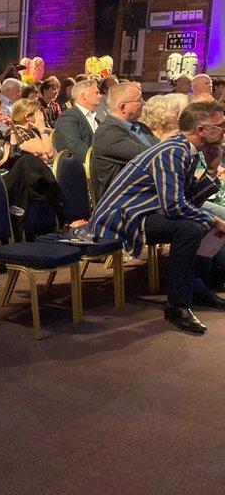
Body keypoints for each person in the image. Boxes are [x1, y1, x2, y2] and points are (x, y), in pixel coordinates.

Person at [90, 102, 225, 333]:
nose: (224, 130)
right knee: (191, 228)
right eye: (220, 125)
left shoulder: (187, 151)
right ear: (201, 130)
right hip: (122, 217)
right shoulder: (173, 151)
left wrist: (211, 171)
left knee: (200, 222)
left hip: (144, 211)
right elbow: (174, 207)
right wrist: (211, 220)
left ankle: (196, 286)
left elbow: (188, 200)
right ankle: (177, 306)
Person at [0, 96, 64, 229]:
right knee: (28, 162)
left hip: (9, 181)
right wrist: (3, 159)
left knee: (34, 183)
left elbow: (14, 156)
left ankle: (42, 219)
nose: (1, 112)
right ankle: (60, 203)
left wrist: (12, 129)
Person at [90, 82, 159, 197]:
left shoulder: (140, 127)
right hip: (125, 202)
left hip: (148, 192)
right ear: (123, 107)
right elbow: (148, 157)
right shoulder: (108, 134)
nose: (144, 103)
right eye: (139, 100)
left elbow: (161, 149)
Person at [52, 79, 102, 159]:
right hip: (79, 167)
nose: (100, 96)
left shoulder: (96, 119)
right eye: (96, 93)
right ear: (83, 96)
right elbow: (75, 146)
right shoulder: (68, 118)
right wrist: (100, 161)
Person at [10, 98, 55, 165]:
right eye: (38, 113)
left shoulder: (33, 130)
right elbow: (50, 153)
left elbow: (54, 154)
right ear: (27, 117)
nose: (42, 116)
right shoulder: (19, 132)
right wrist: (42, 129)